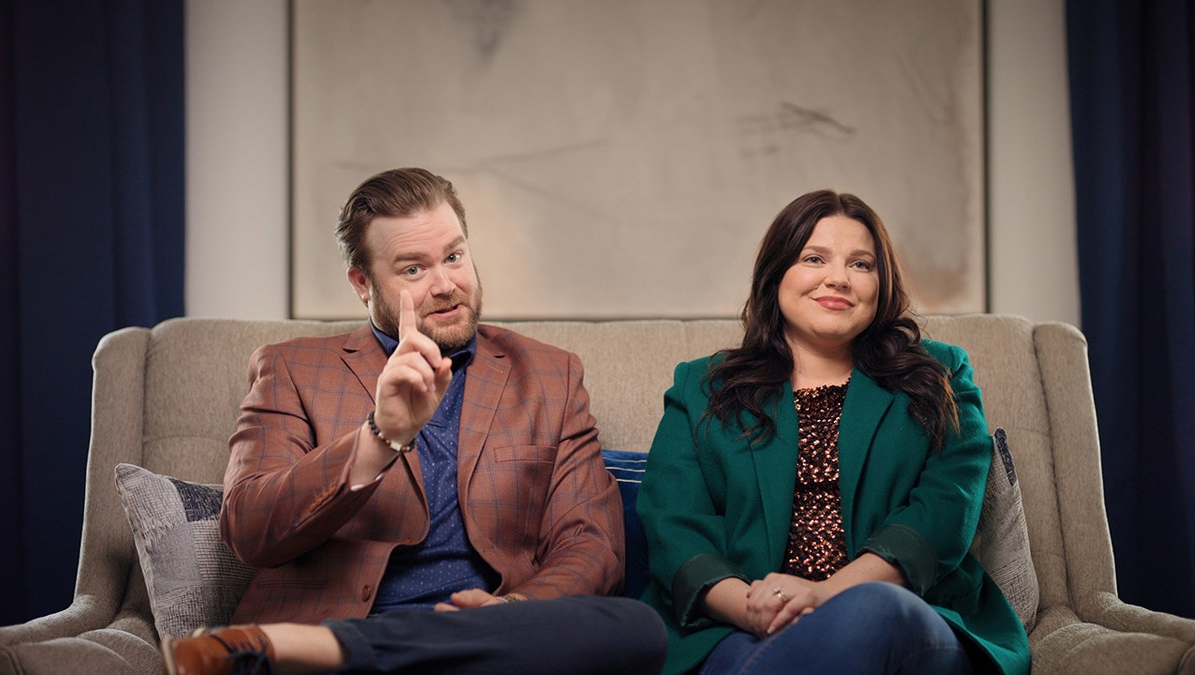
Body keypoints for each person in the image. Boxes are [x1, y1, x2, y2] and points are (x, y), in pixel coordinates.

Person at [162, 168, 667, 675]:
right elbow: (249, 527)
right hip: (345, 641)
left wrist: (512, 614)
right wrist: (378, 439)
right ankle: (337, 648)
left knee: (637, 627)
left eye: (454, 256)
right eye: (413, 270)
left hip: (497, 645)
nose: (446, 285)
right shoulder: (292, 369)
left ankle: (327, 646)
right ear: (363, 283)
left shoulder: (548, 375)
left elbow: (592, 544)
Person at [635, 189, 1031, 675]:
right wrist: (756, 609)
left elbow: (946, 511)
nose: (839, 279)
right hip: (738, 627)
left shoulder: (939, 375)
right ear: (776, 273)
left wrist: (824, 595)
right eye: (814, 258)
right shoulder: (701, 388)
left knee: (878, 613)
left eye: (861, 264)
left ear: (881, 284)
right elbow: (673, 526)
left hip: (903, 616)